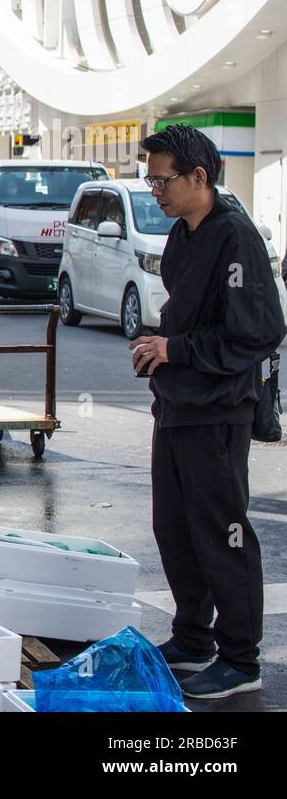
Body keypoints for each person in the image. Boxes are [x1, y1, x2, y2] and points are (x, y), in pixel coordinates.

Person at [129, 123, 286, 700]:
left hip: (218, 411)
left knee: (224, 534)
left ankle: (241, 658)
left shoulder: (235, 237)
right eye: (150, 179)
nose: (156, 191)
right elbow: (185, 314)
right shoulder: (182, 235)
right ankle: (193, 638)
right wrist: (159, 347)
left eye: (162, 179)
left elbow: (259, 333)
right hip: (175, 403)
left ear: (200, 176)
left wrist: (177, 349)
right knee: (174, 529)